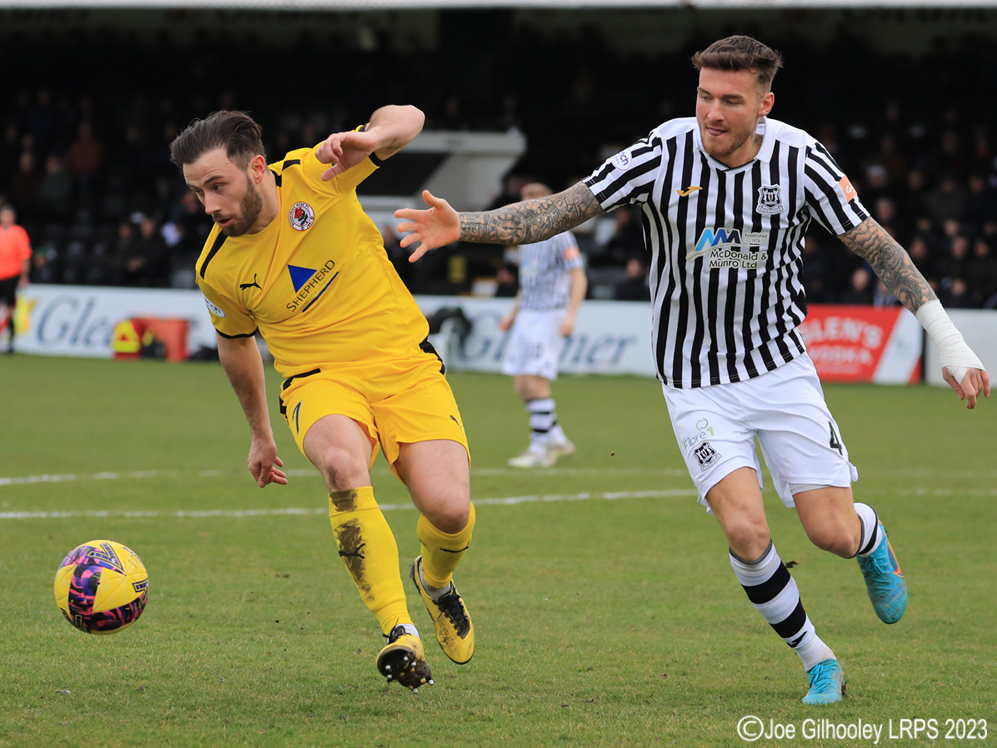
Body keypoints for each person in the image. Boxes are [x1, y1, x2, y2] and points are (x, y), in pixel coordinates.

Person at [396, 36, 990, 705]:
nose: (712, 112)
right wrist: (464, 226)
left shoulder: (800, 162)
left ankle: (870, 537)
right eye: (704, 95)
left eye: (730, 101)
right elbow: (562, 207)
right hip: (695, 379)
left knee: (830, 531)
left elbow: (877, 247)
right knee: (746, 529)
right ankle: (817, 658)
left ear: (765, 104)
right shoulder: (663, 153)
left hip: (780, 369)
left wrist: (950, 341)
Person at [169, 108, 476, 691]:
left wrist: (374, 136)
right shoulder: (217, 268)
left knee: (449, 510)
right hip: (318, 379)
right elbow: (236, 347)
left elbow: (410, 117)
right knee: (340, 464)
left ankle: (434, 582)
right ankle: (399, 632)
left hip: (405, 366)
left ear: (258, 169)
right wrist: (261, 434)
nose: (208, 205)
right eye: (197, 192)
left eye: (217, 186)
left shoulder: (318, 172)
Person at [498, 182, 587, 468]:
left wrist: (571, 315)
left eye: (533, 203)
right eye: (524, 203)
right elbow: (528, 283)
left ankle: (538, 449)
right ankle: (558, 439)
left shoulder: (560, 236)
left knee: (535, 381)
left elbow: (578, 276)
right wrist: (513, 313)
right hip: (527, 314)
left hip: (549, 314)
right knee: (521, 383)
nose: (528, 208)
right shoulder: (526, 239)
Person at [0, 204, 32, 353]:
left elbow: (25, 256)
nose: (4, 218)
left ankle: (10, 342)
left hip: (11, 275)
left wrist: (24, 276)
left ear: (13, 217)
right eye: (2, 215)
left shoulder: (19, 232)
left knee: (10, 308)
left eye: (7, 215)